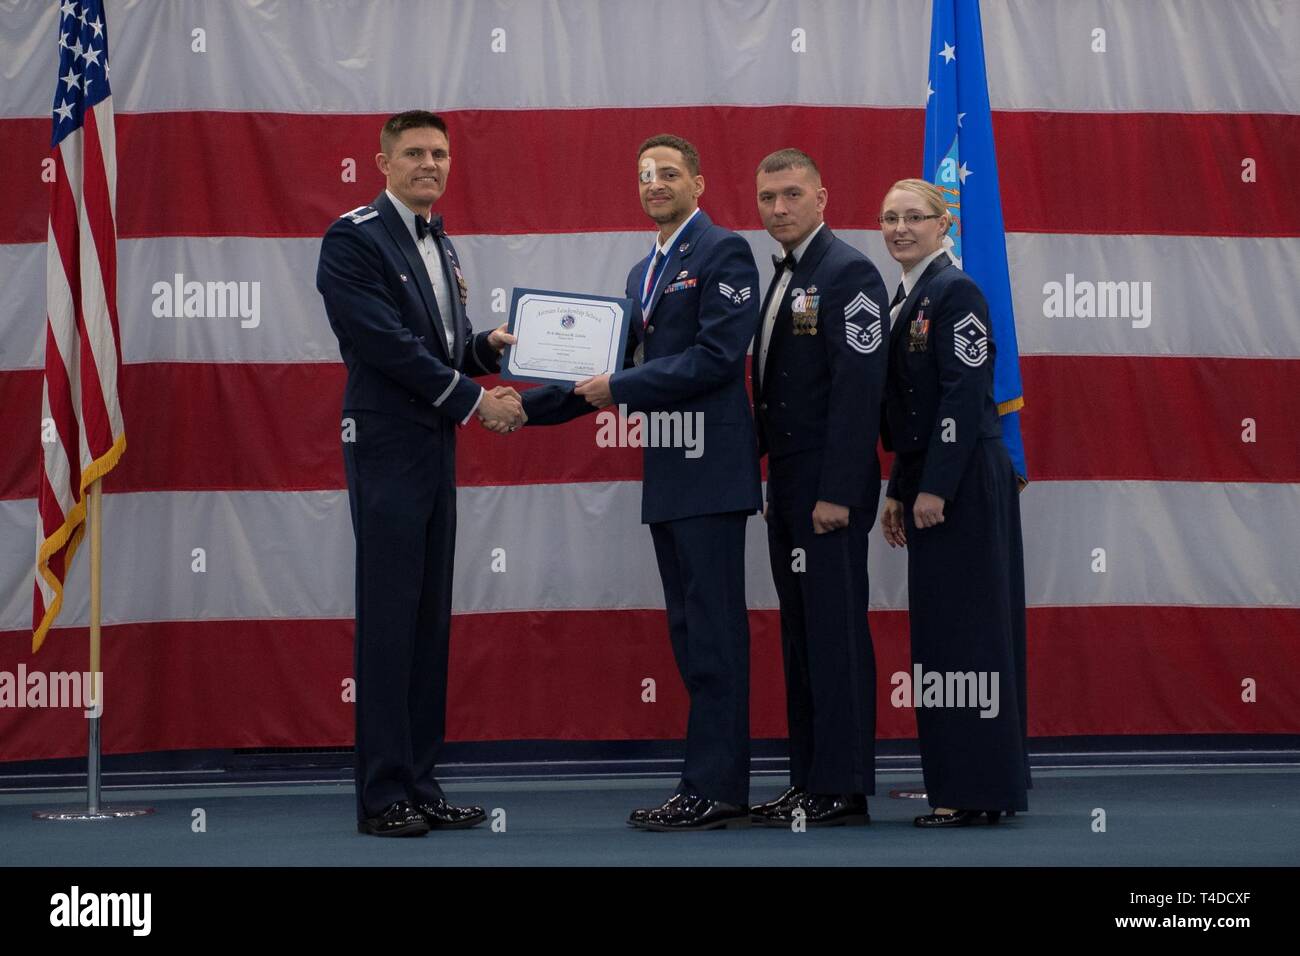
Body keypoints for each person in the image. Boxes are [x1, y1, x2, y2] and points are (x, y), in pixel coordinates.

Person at [511, 134, 762, 830]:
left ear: (698, 183)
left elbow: (716, 358)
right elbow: (601, 370)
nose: (655, 183)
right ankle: (707, 784)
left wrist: (618, 385)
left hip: (711, 472)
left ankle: (715, 789)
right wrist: (516, 409)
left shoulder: (723, 252)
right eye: (645, 174)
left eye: (669, 173)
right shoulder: (639, 273)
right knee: (689, 635)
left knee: (713, 637)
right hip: (670, 474)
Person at [316, 110, 525, 836]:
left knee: (429, 621)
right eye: (414, 153)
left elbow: (436, 347)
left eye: (439, 153)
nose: (429, 164)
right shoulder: (352, 237)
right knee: (390, 620)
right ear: (382, 161)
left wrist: (484, 350)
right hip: (387, 445)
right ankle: (383, 796)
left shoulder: (441, 240)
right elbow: (383, 344)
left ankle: (421, 782)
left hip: (433, 444)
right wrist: (473, 401)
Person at [877, 179, 1029, 827]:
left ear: (946, 225)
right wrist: (900, 486)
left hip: (963, 482)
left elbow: (965, 394)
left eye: (915, 217)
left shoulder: (955, 292)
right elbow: (914, 408)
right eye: (889, 217)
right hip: (935, 477)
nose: (900, 228)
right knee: (943, 637)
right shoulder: (911, 293)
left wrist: (934, 485)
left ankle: (975, 790)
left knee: (967, 637)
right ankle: (967, 783)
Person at [748, 149, 888, 827]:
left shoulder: (849, 271)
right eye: (768, 197)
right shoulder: (783, 274)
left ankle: (843, 785)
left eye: (791, 195)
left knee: (833, 634)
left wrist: (836, 492)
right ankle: (808, 779)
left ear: (822, 197)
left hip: (828, 490)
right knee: (801, 636)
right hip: (790, 484)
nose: (778, 208)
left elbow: (859, 392)